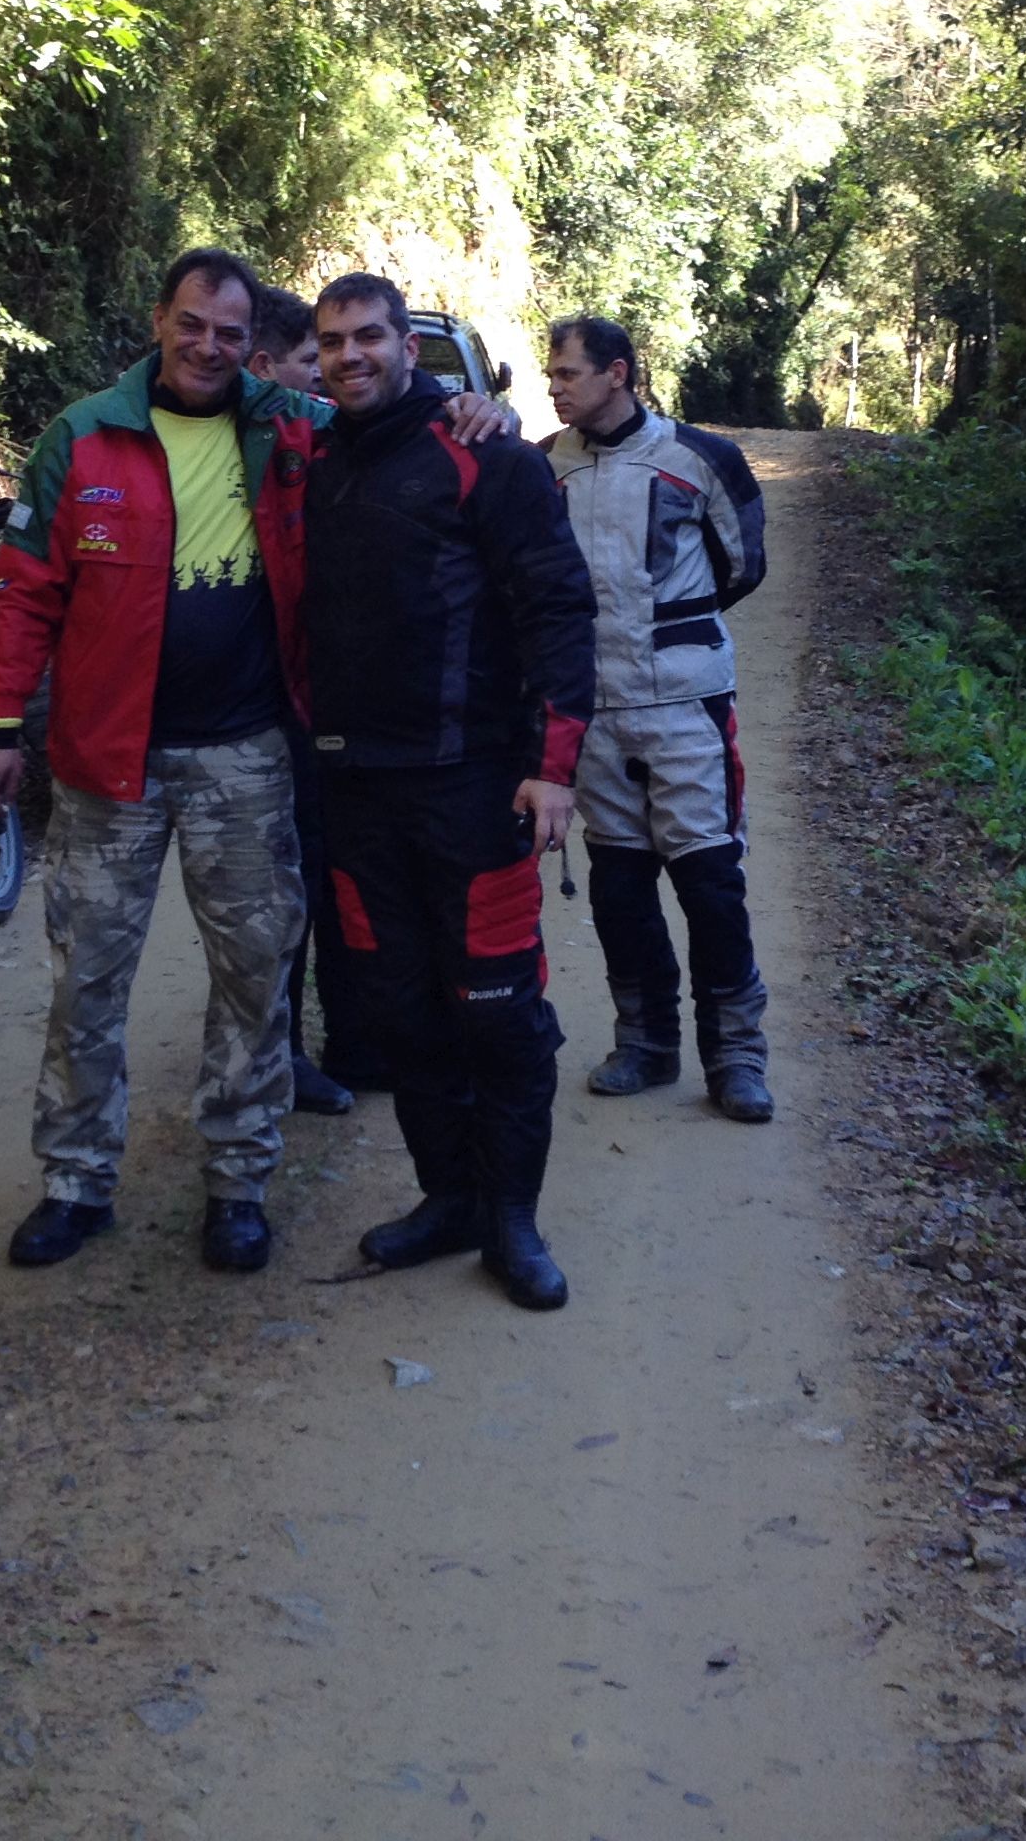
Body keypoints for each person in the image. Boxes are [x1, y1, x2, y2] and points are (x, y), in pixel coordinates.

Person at [0, 248, 313, 1277]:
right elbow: (26, 591)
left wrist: (462, 415)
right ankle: (75, 1184)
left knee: (255, 979)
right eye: (192, 323)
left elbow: (396, 429)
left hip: (245, 760)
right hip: (105, 764)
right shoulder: (84, 436)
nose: (210, 346)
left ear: (254, 343)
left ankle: (239, 1184)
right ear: (159, 319)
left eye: (231, 332)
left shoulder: (288, 426)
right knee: (88, 984)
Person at [305, 274, 597, 1311]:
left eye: (371, 336)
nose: (353, 355)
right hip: (356, 796)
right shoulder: (313, 460)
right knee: (401, 1011)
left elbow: (560, 608)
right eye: (333, 340)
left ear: (405, 346)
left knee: (499, 1015)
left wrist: (553, 766)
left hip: (475, 790)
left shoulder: (486, 456)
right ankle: (448, 1200)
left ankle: (511, 1220)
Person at [539, 316, 775, 1121]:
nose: (554, 386)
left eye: (569, 373)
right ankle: (644, 1041)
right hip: (594, 711)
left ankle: (736, 1054)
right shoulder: (545, 467)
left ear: (618, 373)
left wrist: (670, 632)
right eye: (551, 373)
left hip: (686, 704)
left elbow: (742, 563)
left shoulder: (699, 458)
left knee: (710, 883)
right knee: (620, 887)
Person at [244, 285, 359, 1119]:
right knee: (271, 888)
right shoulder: (196, 443)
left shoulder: (315, 437)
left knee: (325, 873)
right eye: (307, 362)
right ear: (264, 368)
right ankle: (271, 1050)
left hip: (317, 701)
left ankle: (340, 1041)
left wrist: (473, 411)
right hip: (239, 714)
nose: (324, 380)